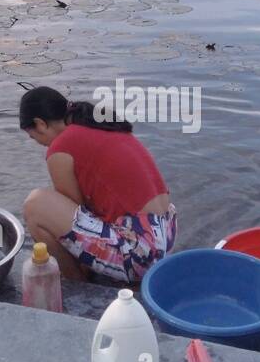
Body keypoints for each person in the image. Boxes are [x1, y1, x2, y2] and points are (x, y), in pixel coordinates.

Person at [19, 87, 176, 285]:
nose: (39, 144)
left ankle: (78, 285)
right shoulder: (99, 125)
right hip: (164, 237)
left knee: (35, 207)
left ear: (40, 124)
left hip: (142, 253)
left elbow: (74, 224)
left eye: (34, 137)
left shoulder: (60, 148)